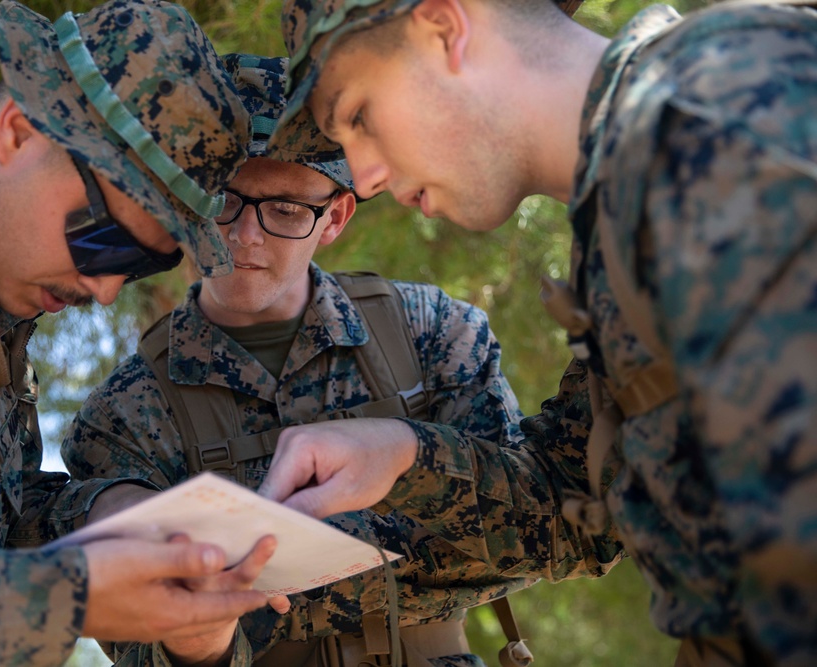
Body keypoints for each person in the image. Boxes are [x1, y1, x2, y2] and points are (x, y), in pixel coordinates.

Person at [259, 0, 817, 664]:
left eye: (359, 116)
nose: (367, 174)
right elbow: (576, 509)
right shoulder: (626, 209)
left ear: (444, 28)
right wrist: (401, 455)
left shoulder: (717, 113)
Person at [62, 53, 622, 667]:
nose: (244, 236)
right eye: (220, 198)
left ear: (335, 218)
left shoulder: (433, 334)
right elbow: (139, 642)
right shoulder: (121, 418)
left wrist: (405, 459)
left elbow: (541, 537)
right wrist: (199, 637)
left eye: (285, 210)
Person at [0, 1, 282, 665]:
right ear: (17, 131)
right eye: (105, 241)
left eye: (146, 264)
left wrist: (116, 521)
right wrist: (62, 596)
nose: (106, 289)